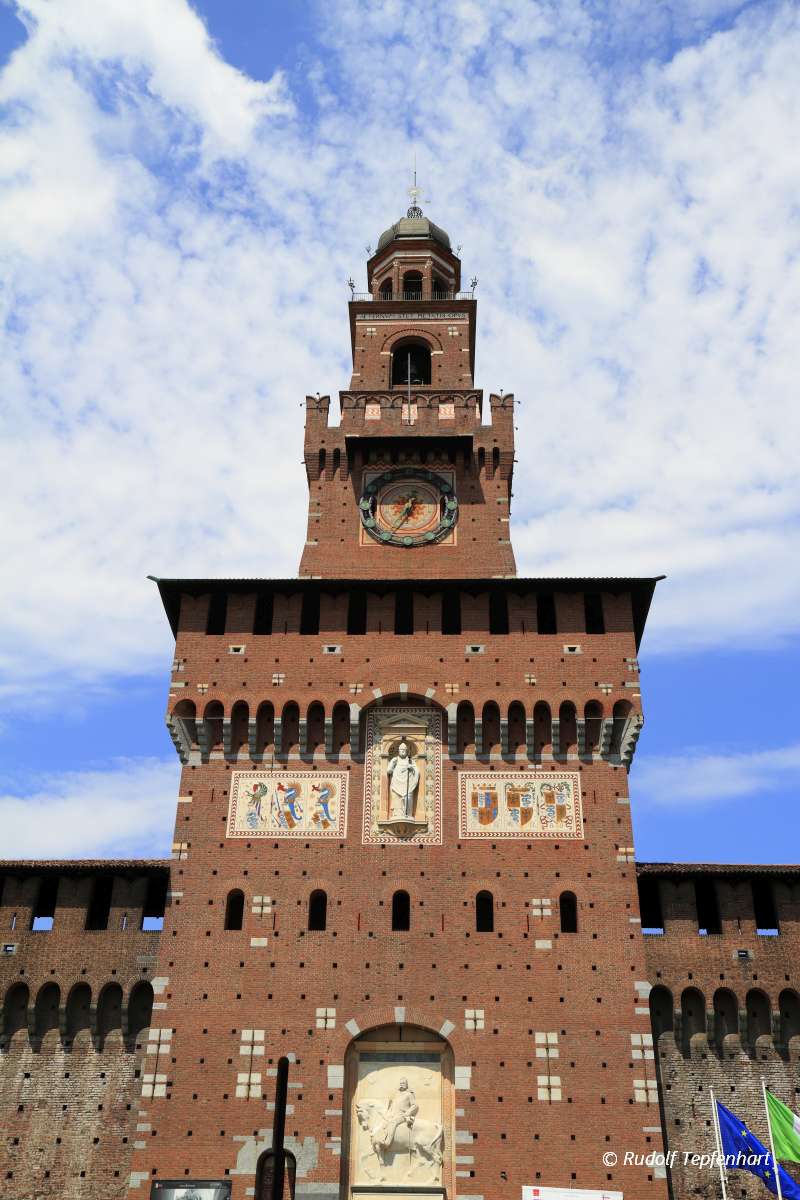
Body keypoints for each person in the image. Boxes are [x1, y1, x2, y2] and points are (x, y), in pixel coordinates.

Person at [377, 1077, 418, 1149]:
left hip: (402, 1115)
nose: (402, 1085)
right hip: (394, 1115)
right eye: (401, 1083)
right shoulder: (397, 1095)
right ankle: (380, 1139)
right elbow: (392, 1106)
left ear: (406, 1085)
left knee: (393, 1122)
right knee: (384, 1122)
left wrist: (407, 1113)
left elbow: (415, 1105)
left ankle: (387, 1142)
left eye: (403, 1083)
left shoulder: (409, 1094)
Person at [387, 742, 419, 819]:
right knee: (397, 799)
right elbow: (389, 771)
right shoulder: (395, 760)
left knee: (408, 798)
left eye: (404, 750)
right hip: (396, 783)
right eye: (401, 750)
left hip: (407, 784)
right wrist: (392, 763)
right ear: (398, 751)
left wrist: (411, 768)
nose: (402, 752)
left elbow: (417, 771)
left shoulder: (410, 761)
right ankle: (396, 815)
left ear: (407, 751)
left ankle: (408, 814)